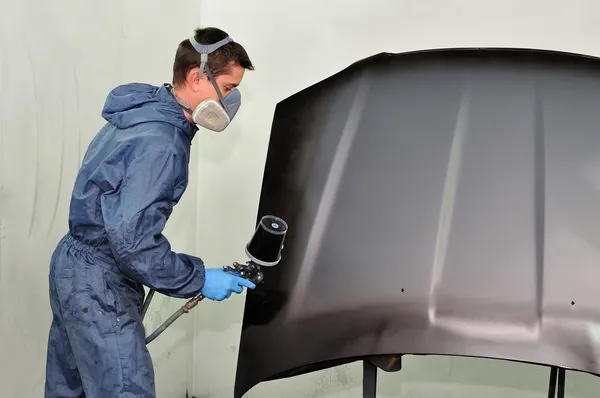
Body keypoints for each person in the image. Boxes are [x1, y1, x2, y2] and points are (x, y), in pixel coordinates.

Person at [44, 27, 256, 398]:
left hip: (72, 264)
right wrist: (199, 277)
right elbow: (133, 245)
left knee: (70, 388)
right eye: (228, 88)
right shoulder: (162, 143)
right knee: (127, 390)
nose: (231, 100)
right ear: (196, 77)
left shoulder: (141, 112)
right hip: (100, 283)